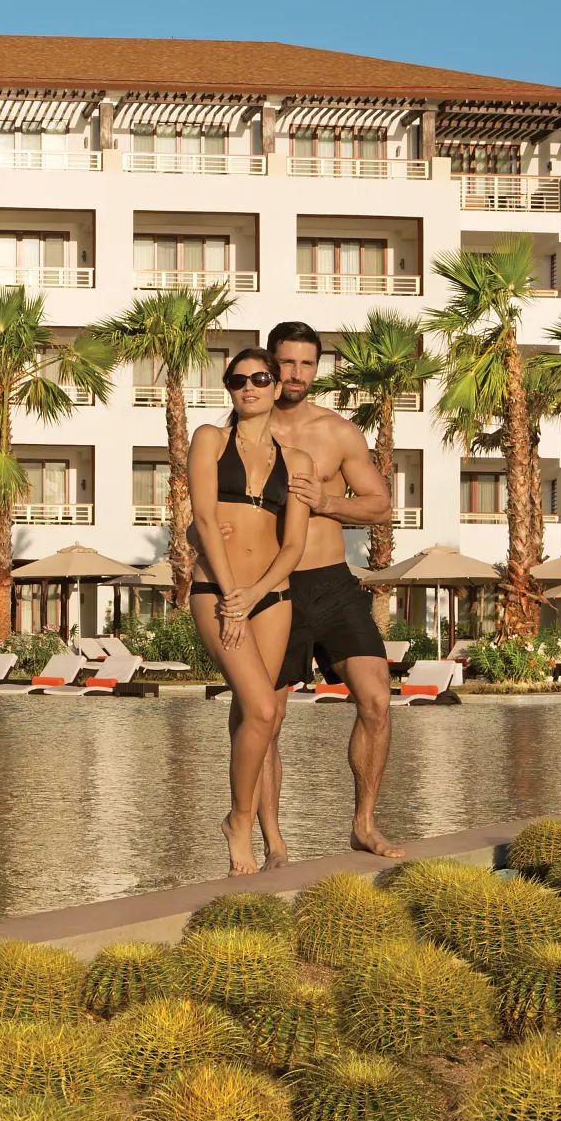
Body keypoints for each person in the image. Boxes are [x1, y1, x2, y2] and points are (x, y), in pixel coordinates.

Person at [265, 319, 403, 860]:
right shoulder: (243, 431)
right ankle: (273, 842)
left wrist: (326, 503)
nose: (296, 373)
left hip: (333, 583)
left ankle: (363, 825)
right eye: (287, 361)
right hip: (274, 587)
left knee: (376, 699)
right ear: (270, 362)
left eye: (306, 363)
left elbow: (379, 505)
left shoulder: (338, 432)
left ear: (317, 368)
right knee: (267, 718)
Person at [186, 347, 313, 875]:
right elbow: (203, 520)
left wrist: (256, 593)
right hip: (217, 593)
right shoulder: (210, 440)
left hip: (272, 598)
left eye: (260, 378)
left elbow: (294, 545)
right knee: (262, 709)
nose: (249, 388)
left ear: (277, 385)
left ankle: (262, 830)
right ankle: (239, 821)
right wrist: (233, 597)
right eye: (238, 380)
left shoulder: (297, 462)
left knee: (259, 714)